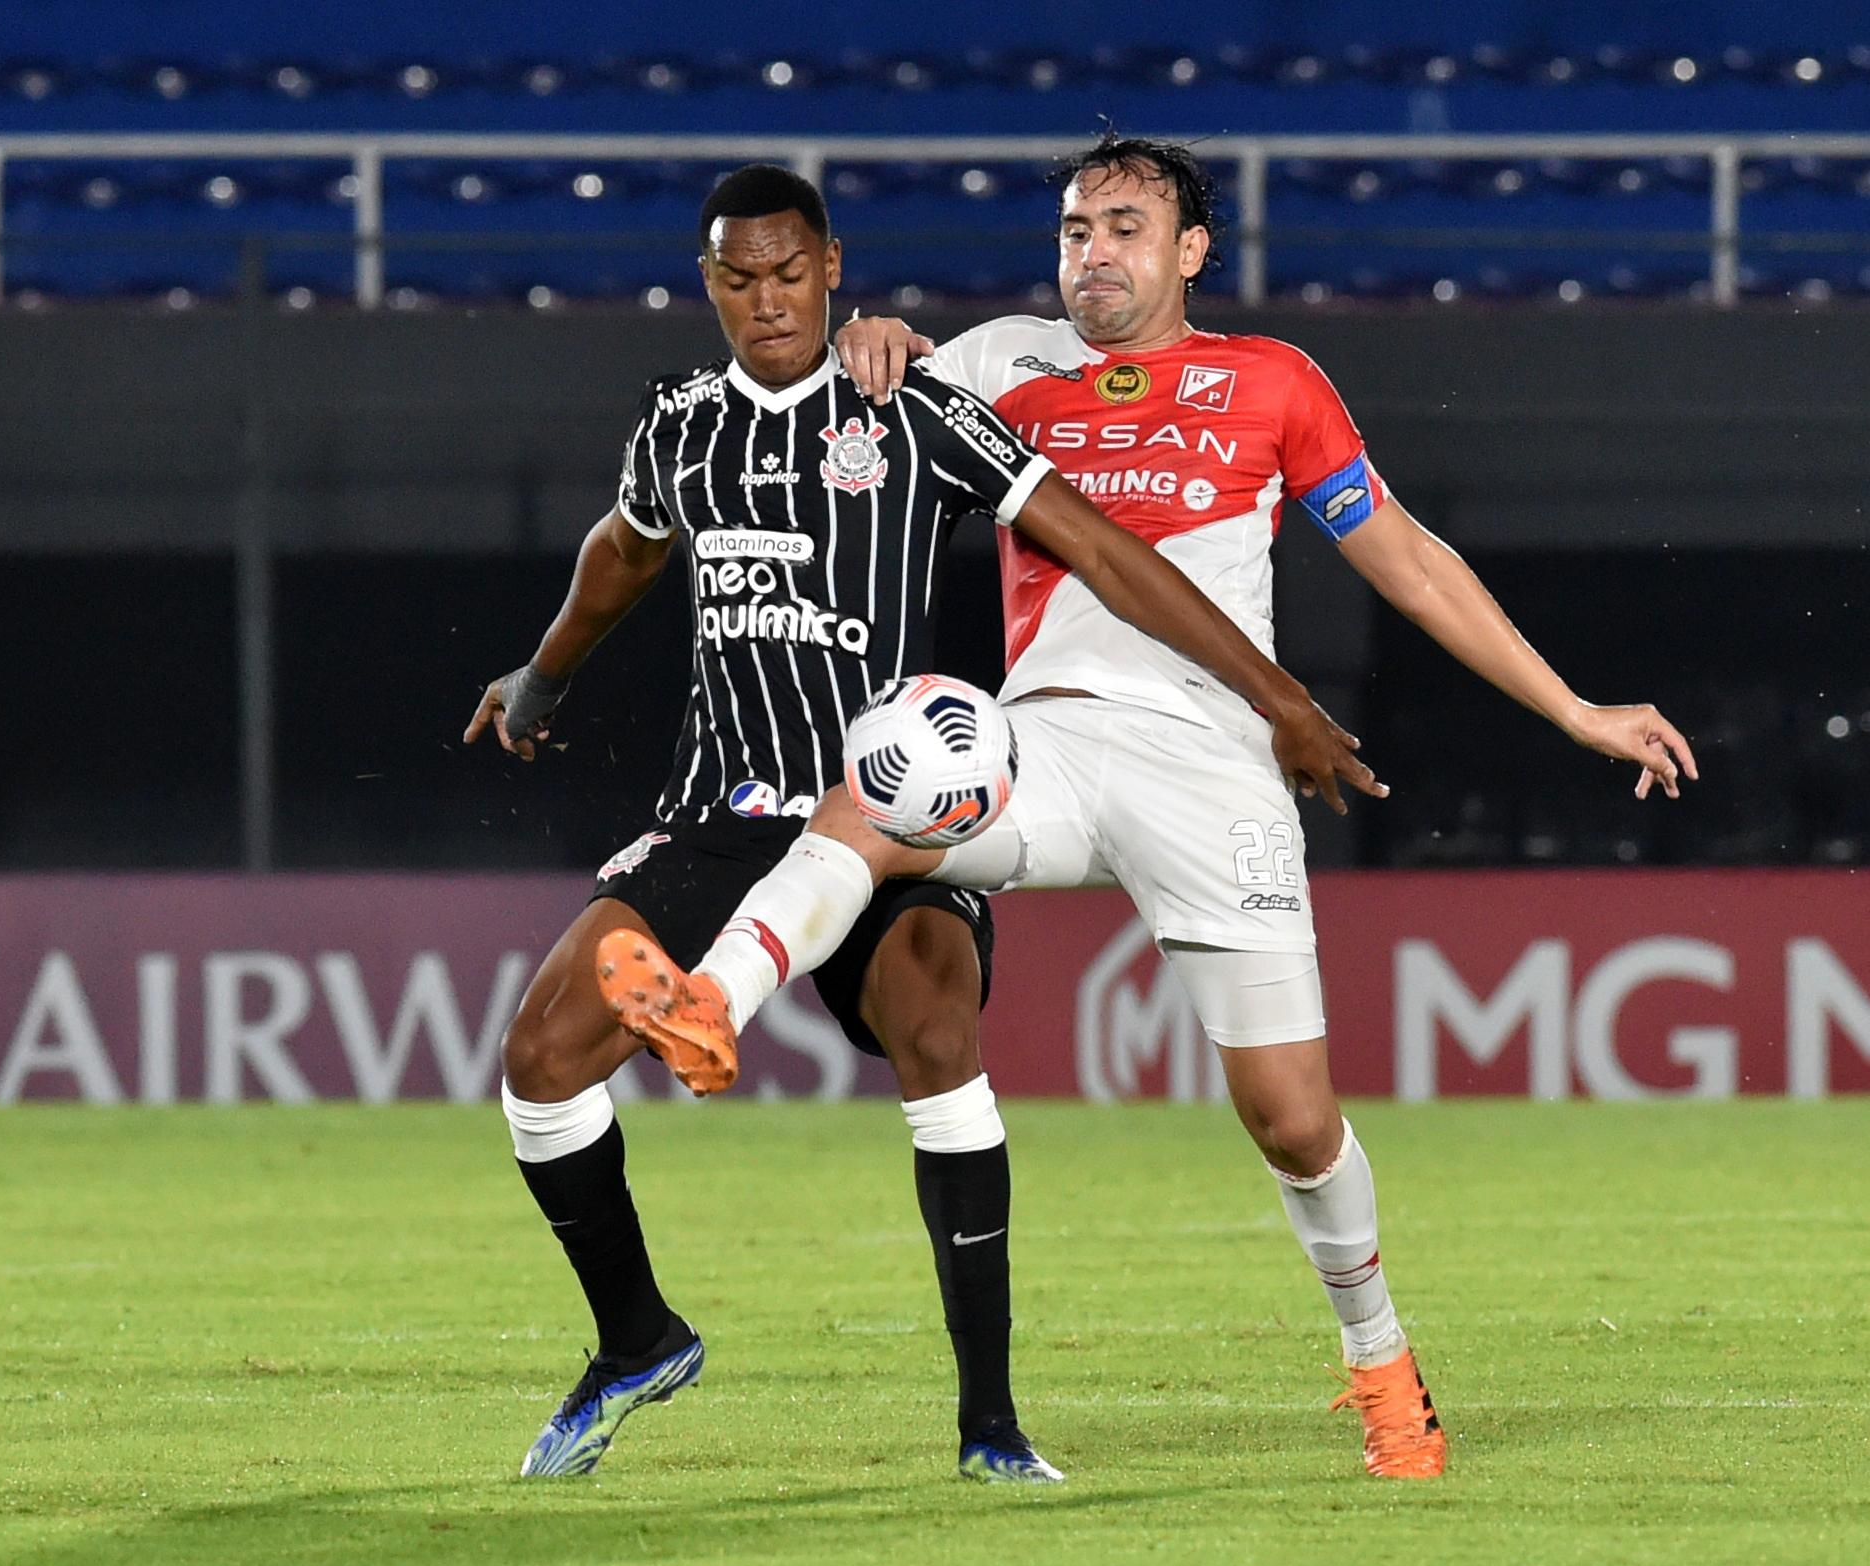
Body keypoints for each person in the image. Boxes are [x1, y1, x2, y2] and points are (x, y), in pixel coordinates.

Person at [600, 135, 1698, 1481]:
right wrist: (869, 338)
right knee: (888, 770)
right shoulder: (998, 362)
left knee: (1293, 1119)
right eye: (1073, 230)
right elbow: (830, 411)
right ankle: (716, 998)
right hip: (1044, 743)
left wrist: (1576, 709)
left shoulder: (1272, 384)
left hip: (1211, 765)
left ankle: (1381, 1358)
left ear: (1190, 251)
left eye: (1124, 227)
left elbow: (1406, 559)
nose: (1092, 254)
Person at [464, 161, 1366, 1481]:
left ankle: (991, 1425)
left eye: (790, 273)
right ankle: (636, 1337)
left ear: (833, 270)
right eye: (739, 277)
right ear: (708, 283)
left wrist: (1278, 694)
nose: (767, 300)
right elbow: (622, 552)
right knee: (538, 1066)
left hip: (894, 816)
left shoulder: (916, 413)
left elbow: (1107, 548)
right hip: (718, 814)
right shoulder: (681, 426)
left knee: (937, 1031)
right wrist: (545, 672)